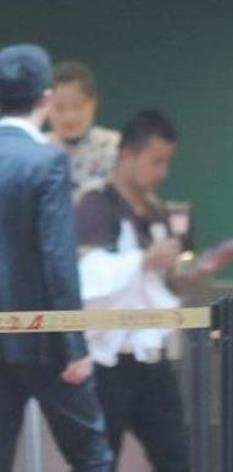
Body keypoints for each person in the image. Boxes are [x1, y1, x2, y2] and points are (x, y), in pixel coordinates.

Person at [75, 110, 233, 471]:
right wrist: (143, 259)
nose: (162, 172)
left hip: (151, 356)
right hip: (106, 359)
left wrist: (201, 268)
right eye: (156, 161)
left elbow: (167, 283)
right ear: (127, 155)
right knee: (99, 459)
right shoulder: (95, 205)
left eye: (167, 163)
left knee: (176, 454)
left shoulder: (157, 211)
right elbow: (87, 276)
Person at [0, 43, 113, 472]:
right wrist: (75, 344)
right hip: (45, 339)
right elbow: (57, 258)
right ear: (45, 100)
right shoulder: (47, 162)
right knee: (91, 458)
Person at [47, 61, 120, 199]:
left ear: (93, 104)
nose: (69, 117)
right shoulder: (35, 150)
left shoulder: (116, 147)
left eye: (77, 107)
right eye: (59, 108)